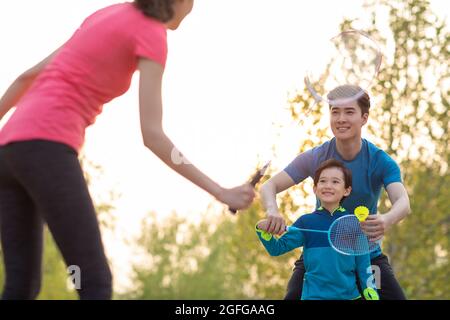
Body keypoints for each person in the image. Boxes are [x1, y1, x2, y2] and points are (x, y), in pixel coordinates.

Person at [0, 0, 255, 300]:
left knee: (21, 284)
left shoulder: (106, 14)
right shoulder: (152, 33)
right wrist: (220, 191)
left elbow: (27, 77)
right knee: (92, 281)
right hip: (47, 149)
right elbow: (153, 135)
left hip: (8, 154)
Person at [260, 85, 411, 300]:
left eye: (349, 112)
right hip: (320, 256)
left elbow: (403, 201)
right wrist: (272, 210)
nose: (341, 118)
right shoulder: (315, 156)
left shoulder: (380, 161)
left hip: (366, 257)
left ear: (364, 117)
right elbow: (268, 187)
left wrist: (387, 219)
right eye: (335, 112)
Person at [256, 159, 379, 300]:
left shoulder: (355, 224)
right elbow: (277, 248)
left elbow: (364, 267)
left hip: (350, 297)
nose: (328, 186)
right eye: (322, 181)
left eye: (335, 182)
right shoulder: (305, 222)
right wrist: (262, 229)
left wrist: (371, 291)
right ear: (315, 189)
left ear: (347, 190)